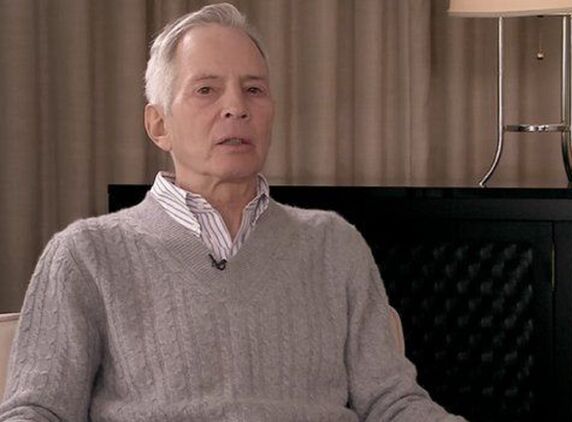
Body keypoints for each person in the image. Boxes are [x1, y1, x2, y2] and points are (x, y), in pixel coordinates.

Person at [0, 3, 466, 421]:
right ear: (158, 125)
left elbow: (391, 402)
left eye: (254, 90)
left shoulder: (334, 245)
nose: (236, 108)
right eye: (206, 89)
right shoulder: (86, 254)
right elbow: (37, 410)